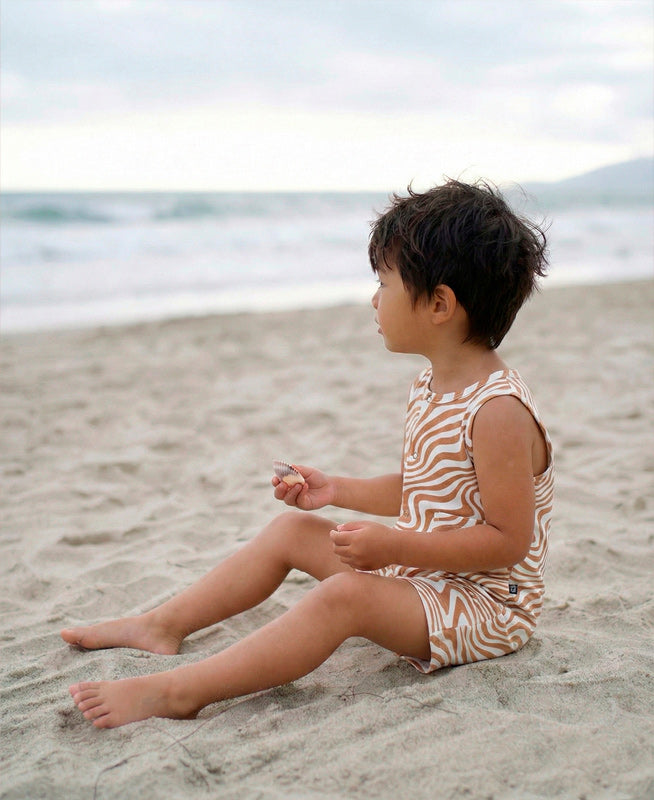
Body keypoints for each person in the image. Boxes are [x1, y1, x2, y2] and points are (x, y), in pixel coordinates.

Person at [62, 179, 553, 729]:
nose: (374, 298)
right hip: (424, 574)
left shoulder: (498, 412)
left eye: (384, 283)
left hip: (484, 605)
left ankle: (182, 692)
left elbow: (509, 541)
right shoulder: (432, 384)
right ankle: (161, 625)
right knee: (289, 533)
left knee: (345, 596)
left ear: (439, 304)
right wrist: (337, 490)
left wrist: (393, 543)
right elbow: (426, 485)